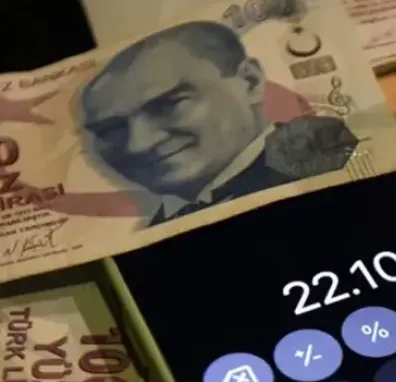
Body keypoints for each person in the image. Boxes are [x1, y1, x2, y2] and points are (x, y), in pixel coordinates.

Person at [78, 21, 358, 227]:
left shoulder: (340, 163)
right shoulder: (152, 233)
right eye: (110, 130)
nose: (137, 144)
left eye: (168, 105)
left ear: (250, 82)